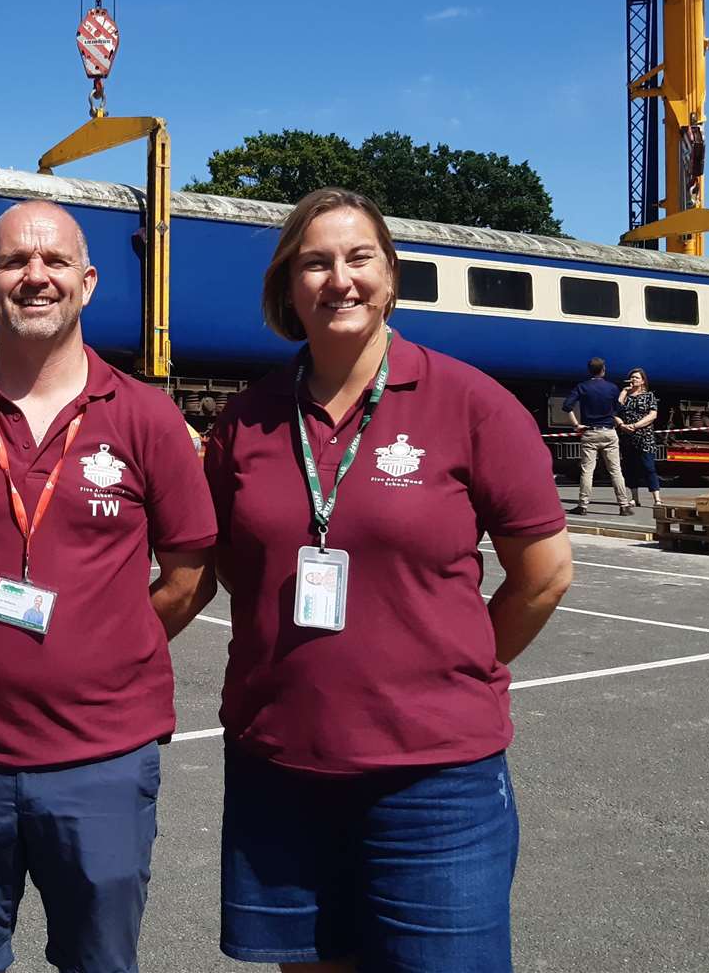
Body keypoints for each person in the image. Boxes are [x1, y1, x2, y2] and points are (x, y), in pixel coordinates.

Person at [200, 188, 572, 972]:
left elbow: (541, 576)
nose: (339, 279)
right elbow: (233, 566)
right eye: (314, 263)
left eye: (358, 258)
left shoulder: (471, 403)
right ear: (286, 290)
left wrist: (449, 666)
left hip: (433, 780)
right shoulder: (246, 420)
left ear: (390, 277)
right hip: (281, 766)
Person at [0, 200, 217, 973]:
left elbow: (189, 574)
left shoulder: (147, 419)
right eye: (13, 262)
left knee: (98, 963)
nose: (35, 277)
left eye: (56, 261)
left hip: (102, 760)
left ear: (88, 282)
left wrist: (107, 640)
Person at [563, 357, 634, 516]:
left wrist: (576, 425)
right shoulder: (611, 388)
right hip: (609, 433)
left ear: (589, 371)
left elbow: (567, 406)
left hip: (590, 433)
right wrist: (623, 393)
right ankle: (623, 506)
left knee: (587, 471)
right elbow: (617, 409)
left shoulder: (582, 387)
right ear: (604, 370)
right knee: (615, 470)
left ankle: (583, 506)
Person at [617, 366, 662, 509]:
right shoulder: (627, 397)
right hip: (628, 436)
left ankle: (657, 499)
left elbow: (652, 415)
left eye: (636, 377)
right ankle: (634, 498)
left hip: (644, 436)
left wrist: (636, 425)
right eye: (632, 377)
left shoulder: (649, 396)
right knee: (630, 468)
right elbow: (615, 411)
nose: (633, 379)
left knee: (649, 467)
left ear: (643, 381)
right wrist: (622, 425)